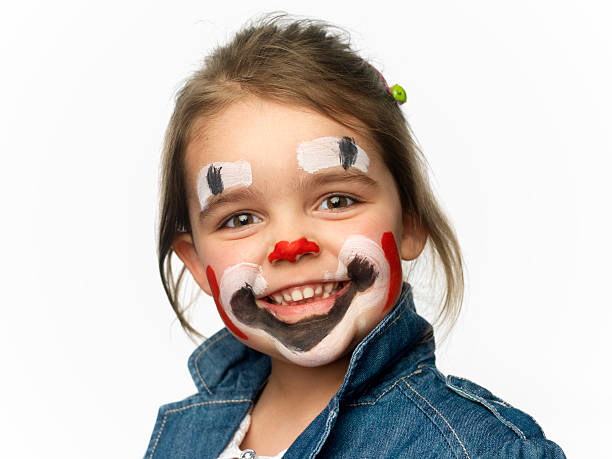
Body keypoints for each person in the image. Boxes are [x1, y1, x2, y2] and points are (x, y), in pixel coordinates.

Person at [145, 14, 565, 458]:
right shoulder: (183, 437)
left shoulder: (477, 449)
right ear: (195, 263)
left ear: (411, 220)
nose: (291, 246)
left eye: (337, 201)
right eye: (240, 219)